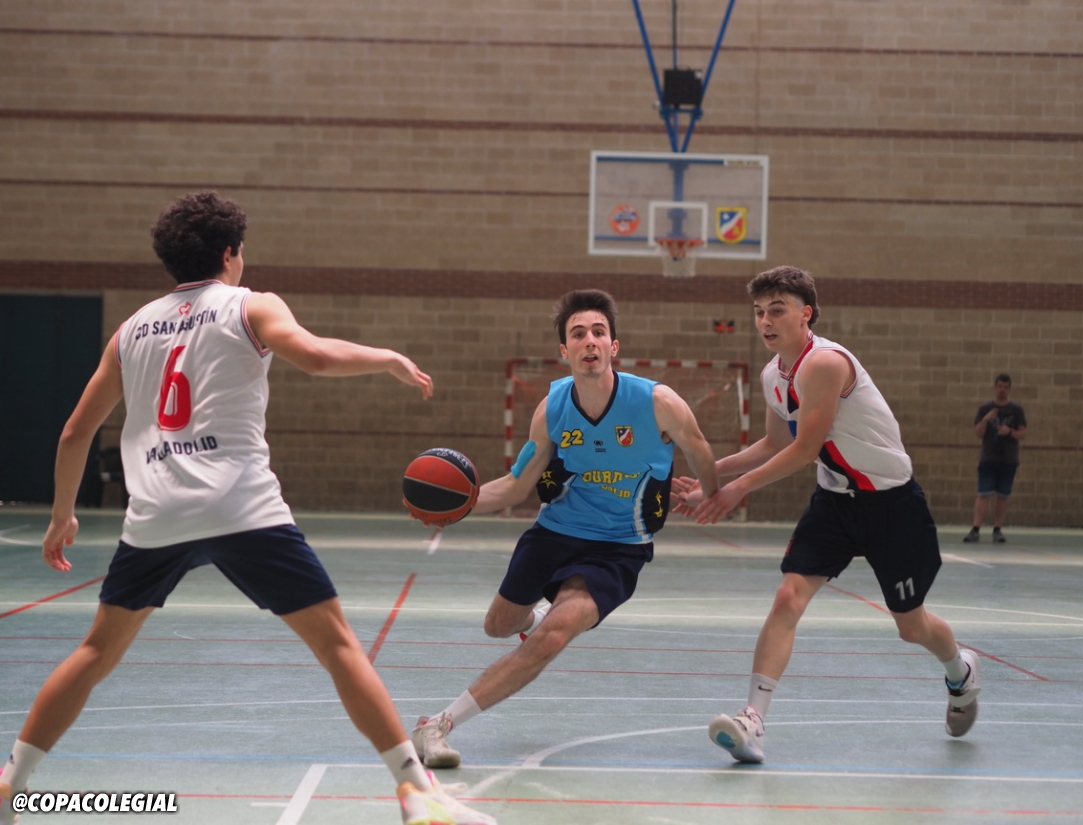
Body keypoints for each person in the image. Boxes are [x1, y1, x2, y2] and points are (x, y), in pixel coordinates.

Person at [0, 192, 495, 825]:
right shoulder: (250, 305)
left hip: (157, 513)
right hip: (241, 507)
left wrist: (61, 516)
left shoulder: (131, 331)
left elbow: (75, 433)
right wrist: (388, 358)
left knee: (95, 653)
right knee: (339, 646)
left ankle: (12, 785)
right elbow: (315, 356)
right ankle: (413, 790)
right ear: (231, 253)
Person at [672, 265, 980, 764]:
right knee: (787, 597)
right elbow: (774, 442)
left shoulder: (825, 363)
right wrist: (710, 474)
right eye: (759, 312)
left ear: (806, 314)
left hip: (892, 506)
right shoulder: (773, 374)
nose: (765, 321)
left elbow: (804, 449)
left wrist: (736, 490)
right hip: (835, 503)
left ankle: (960, 672)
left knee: (911, 626)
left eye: (777, 310)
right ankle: (752, 720)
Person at [409, 289, 720, 768]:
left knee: (554, 636)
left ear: (614, 345)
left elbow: (700, 451)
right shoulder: (552, 409)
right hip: (554, 533)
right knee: (498, 626)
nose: (589, 341)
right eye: (578, 334)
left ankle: (436, 726)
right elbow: (517, 486)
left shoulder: (658, 403)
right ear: (564, 350)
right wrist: (458, 506)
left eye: (599, 332)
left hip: (618, 547)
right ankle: (535, 619)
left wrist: (709, 491)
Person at [963, 374, 1027, 544]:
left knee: (1002, 495)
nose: (1002, 390)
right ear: (995, 387)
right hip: (988, 457)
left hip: (1008, 458)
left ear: (1009, 389)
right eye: (1000, 386)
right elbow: (978, 433)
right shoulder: (986, 408)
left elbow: (1022, 433)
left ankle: (997, 529)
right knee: (983, 494)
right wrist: (985, 420)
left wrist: (1010, 432)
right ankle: (975, 529)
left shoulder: (1016, 410)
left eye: (1005, 387)